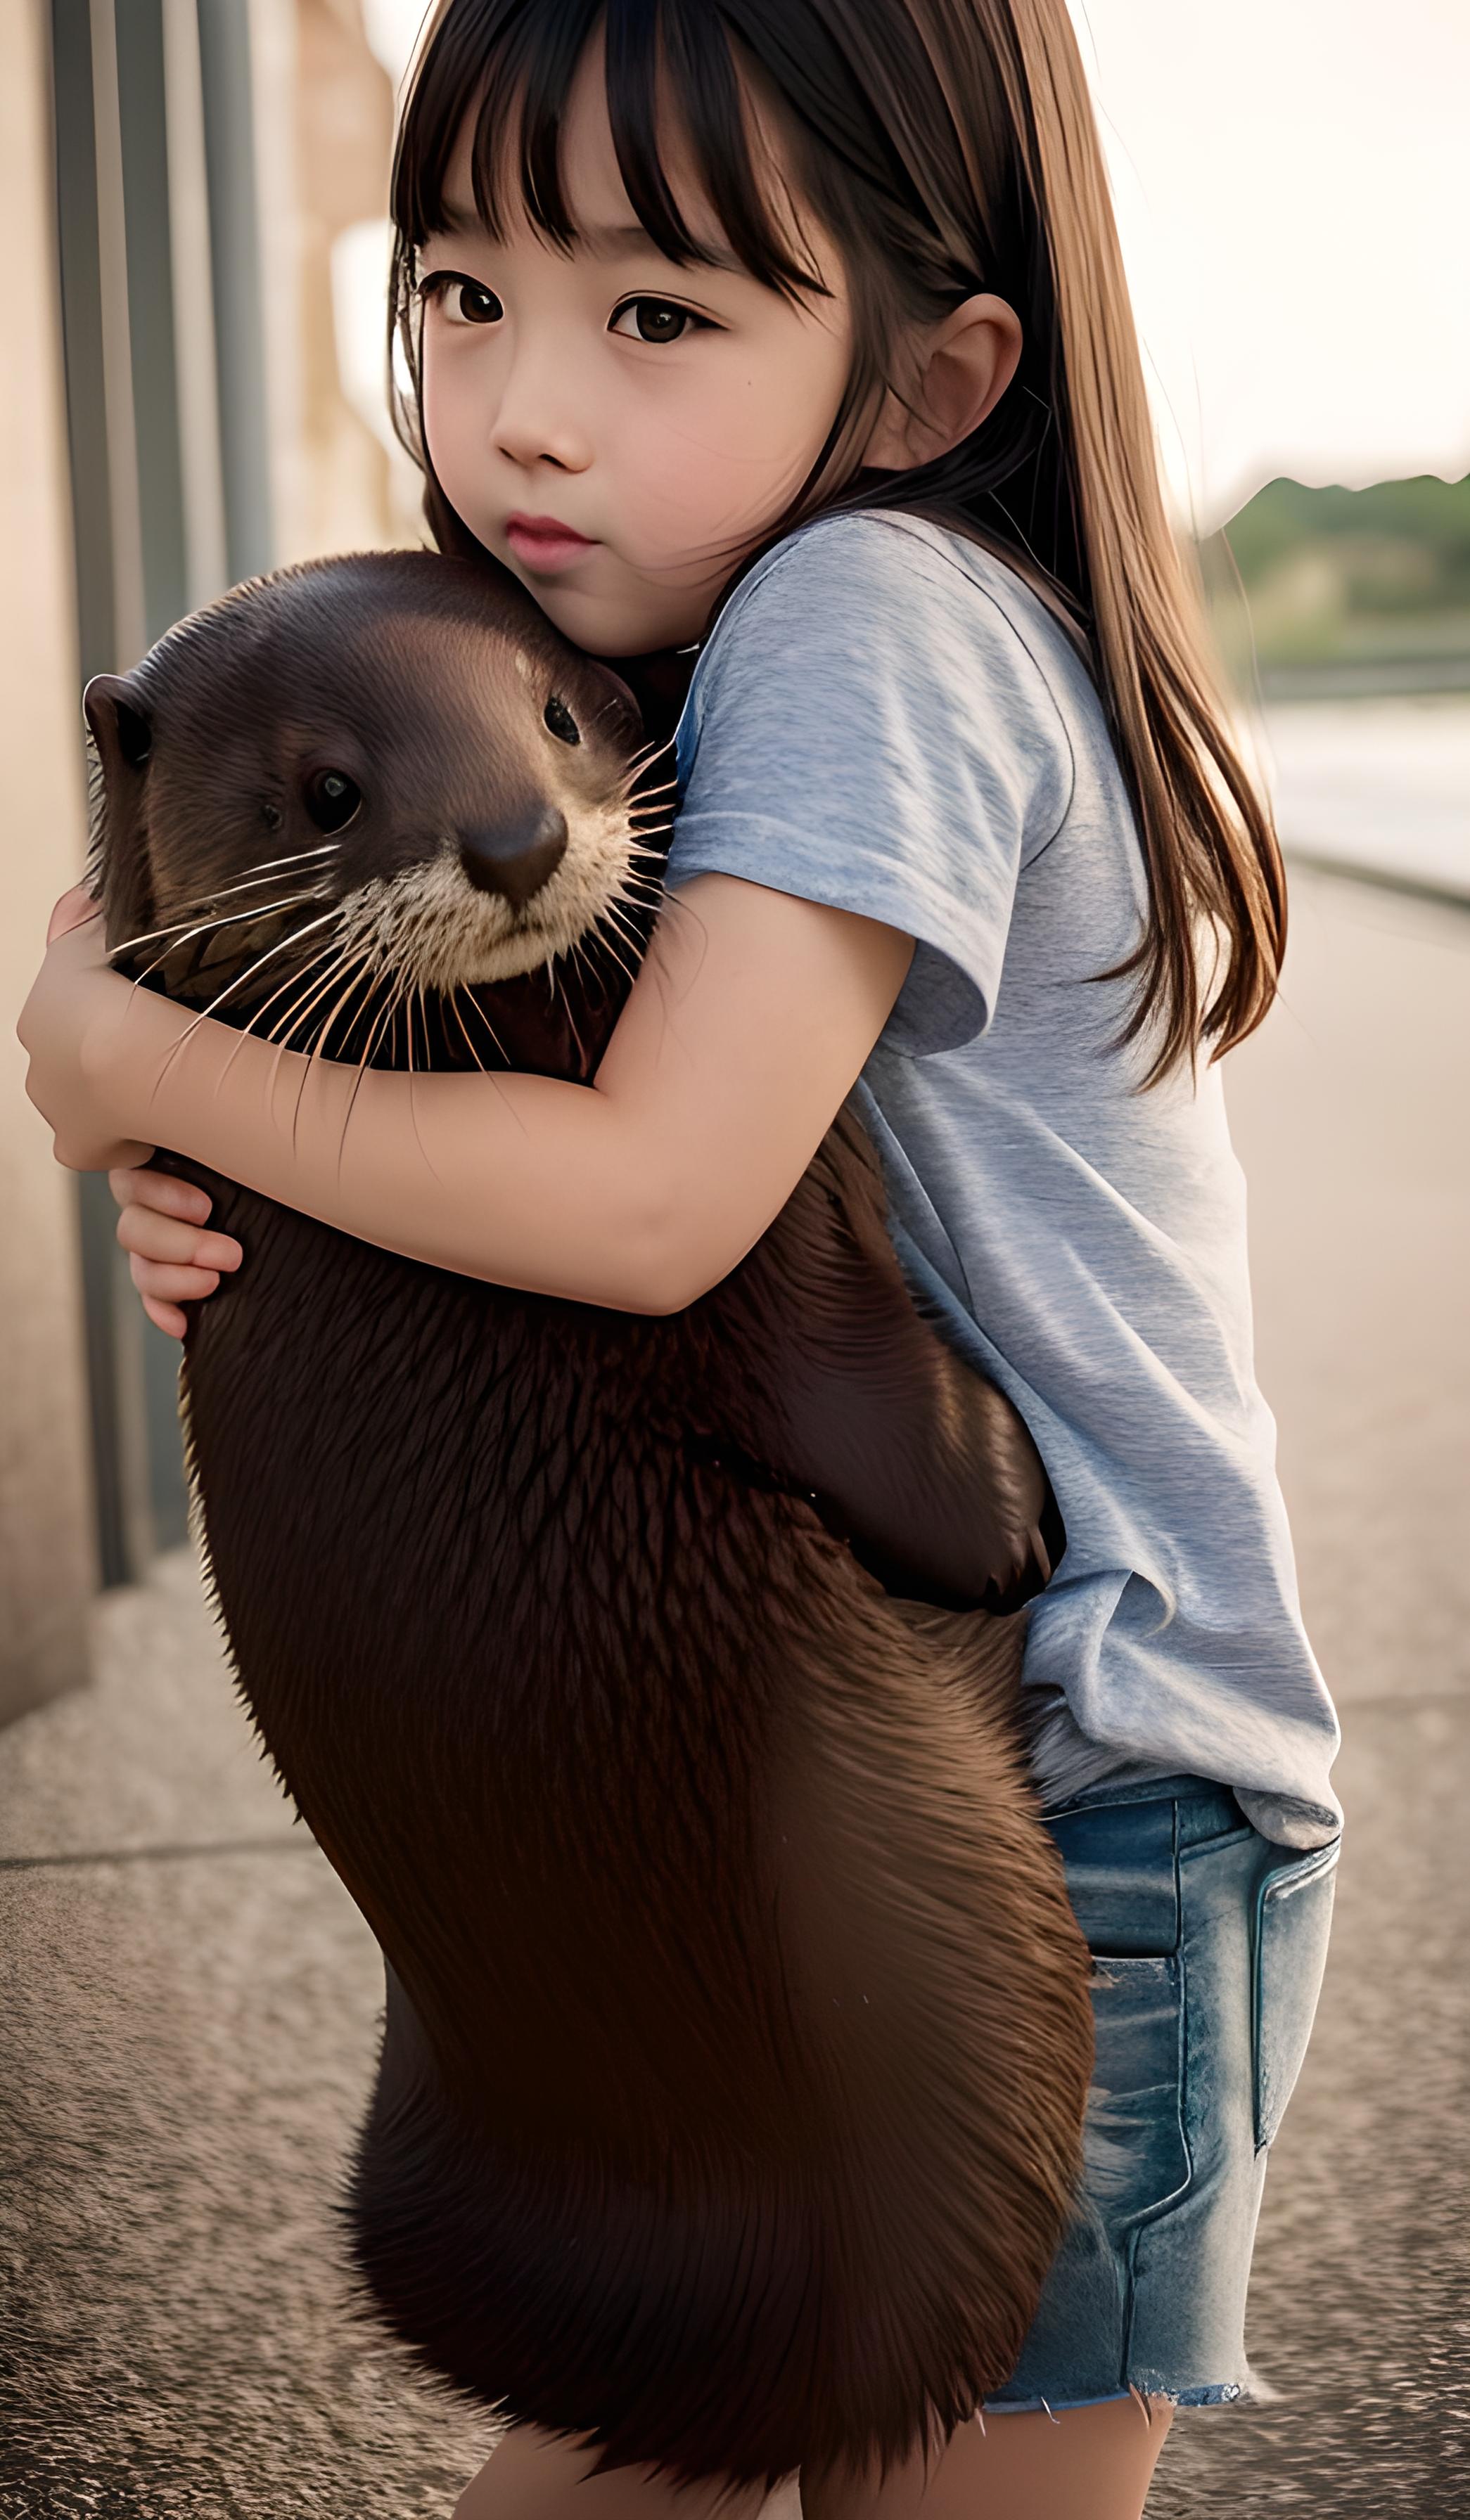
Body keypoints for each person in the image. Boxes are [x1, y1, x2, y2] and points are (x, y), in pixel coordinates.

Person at [20, 2, 1346, 2515]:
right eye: (457, 291)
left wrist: (134, 1070)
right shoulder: (646, 634)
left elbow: (649, 1206)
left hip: (1080, 1783)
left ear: (937, 373)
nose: (521, 407)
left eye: (655, 317)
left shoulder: (867, 621)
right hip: (809, 1764)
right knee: (663, 2416)